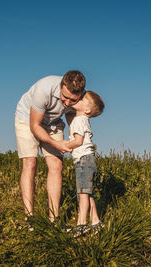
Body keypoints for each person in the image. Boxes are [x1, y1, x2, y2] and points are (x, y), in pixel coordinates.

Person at [15, 70, 86, 223]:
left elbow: (73, 116)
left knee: (56, 164)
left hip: (53, 122)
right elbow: (35, 126)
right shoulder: (44, 89)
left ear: (80, 95)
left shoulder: (81, 97)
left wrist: (76, 141)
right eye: (65, 97)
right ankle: (30, 218)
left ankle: (54, 219)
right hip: (28, 119)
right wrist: (55, 143)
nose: (67, 103)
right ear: (61, 85)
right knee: (30, 162)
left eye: (73, 100)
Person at [66, 90, 105, 236]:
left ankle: (81, 225)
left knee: (82, 193)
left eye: (81, 99)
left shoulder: (79, 121)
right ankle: (96, 222)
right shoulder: (82, 120)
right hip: (88, 159)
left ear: (87, 109)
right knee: (87, 193)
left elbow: (78, 141)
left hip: (83, 160)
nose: (77, 99)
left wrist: (65, 146)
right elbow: (69, 117)